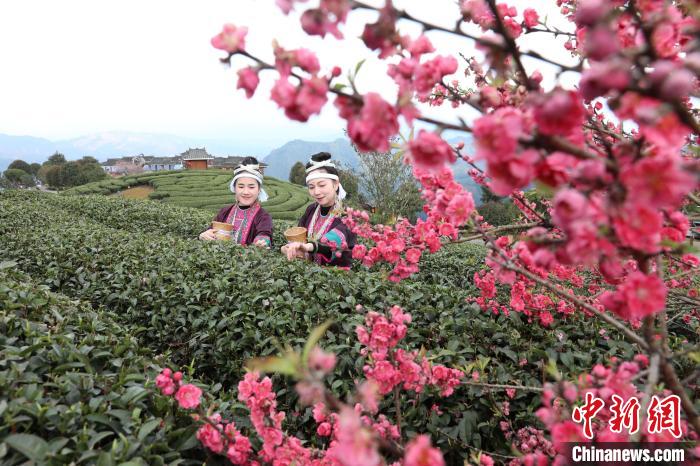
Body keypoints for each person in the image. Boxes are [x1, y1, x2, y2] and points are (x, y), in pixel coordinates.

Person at [281, 152, 356, 267]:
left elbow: (333, 242)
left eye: (322, 185)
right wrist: (288, 248)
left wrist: (309, 247)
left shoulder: (347, 215)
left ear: (336, 184)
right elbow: (300, 238)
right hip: (309, 274)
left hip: (337, 275)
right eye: (311, 187)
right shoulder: (311, 210)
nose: (316, 192)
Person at [199, 157, 273, 247]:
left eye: (251, 187)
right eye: (241, 187)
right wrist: (203, 235)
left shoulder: (263, 216)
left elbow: (265, 234)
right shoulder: (224, 212)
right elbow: (210, 230)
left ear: (259, 190)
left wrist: (263, 242)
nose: (246, 192)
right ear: (234, 188)